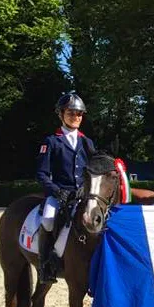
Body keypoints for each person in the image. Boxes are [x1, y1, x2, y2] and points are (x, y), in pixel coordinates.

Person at [35, 91, 96, 283]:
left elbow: (93, 170)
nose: (76, 117)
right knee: (48, 219)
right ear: (61, 114)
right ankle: (46, 265)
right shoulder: (51, 142)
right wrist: (56, 191)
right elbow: (42, 174)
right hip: (59, 193)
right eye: (71, 113)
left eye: (79, 114)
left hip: (82, 194)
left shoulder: (87, 142)